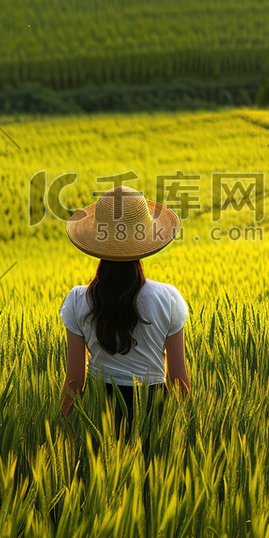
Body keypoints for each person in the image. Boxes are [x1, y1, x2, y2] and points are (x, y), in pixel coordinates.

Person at [58, 184, 191, 437]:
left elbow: (75, 382)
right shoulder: (168, 298)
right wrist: (184, 430)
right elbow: (178, 380)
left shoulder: (77, 300)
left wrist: (60, 429)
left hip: (100, 416)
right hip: (154, 413)